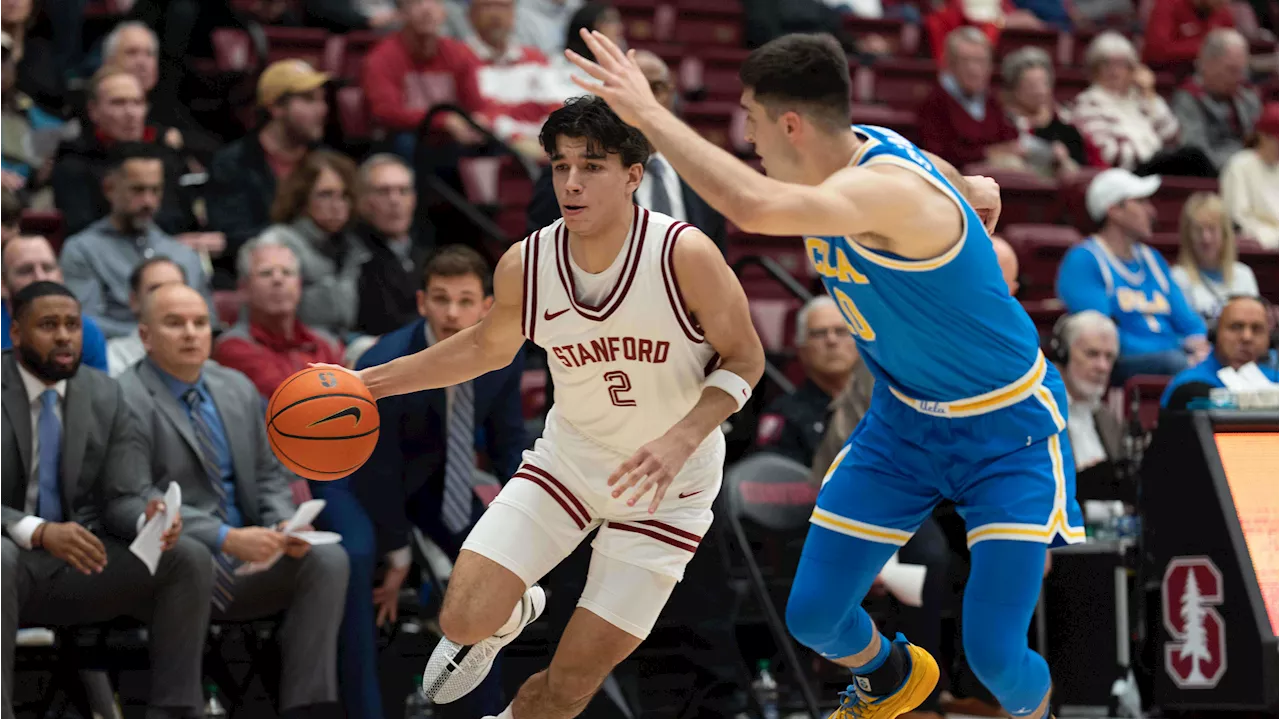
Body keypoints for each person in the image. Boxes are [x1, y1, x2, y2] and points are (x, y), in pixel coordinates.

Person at [567, 29, 1079, 719]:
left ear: (790, 124)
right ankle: (891, 675)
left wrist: (648, 115)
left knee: (993, 653)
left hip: (1005, 430)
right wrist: (970, 187)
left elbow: (752, 206)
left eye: (750, 120)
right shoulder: (870, 150)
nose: (748, 139)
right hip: (904, 422)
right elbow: (937, 173)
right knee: (812, 615)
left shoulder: (881, 193)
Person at [323, 96, 765, 719]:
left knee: (566, 691)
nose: (572, 182)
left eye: (591, 166)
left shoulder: (683, 254)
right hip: (571, 462)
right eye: (560, 166)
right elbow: (481, 348)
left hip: (669, 488)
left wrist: (682, 438)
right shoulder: (527, 263)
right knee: (462, 616)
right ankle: (515, 609)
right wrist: (367, 383)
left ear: (634, 175)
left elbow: (746, 359)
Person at [120, 282, 349, 719]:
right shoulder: (125, 396)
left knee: (328, 559)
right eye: (175, 323)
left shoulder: (237, 388)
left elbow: (268, 476)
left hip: (249, 565)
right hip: (170, 569)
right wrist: (226, 538)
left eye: (200, 322)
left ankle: (308, 706)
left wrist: (284, 525)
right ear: (145, 336)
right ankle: (177, 708)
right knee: (191, 558)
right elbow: (136, 495)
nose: (190, 333)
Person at [315, 245, 526, 719]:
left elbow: (507, 443)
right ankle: (364, 709)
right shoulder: (388, 358)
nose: (453, 313)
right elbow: (378, 465)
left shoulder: (506, 355)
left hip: (432, 478)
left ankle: (483, 711)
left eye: (465, 300)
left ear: (487, 306)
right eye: (441, 299)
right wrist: (398, 551)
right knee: (359, 555)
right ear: (421, 303)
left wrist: (532, 514)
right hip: (353, 476)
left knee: (492, 564)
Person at [0, 281, 206, 719]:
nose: (63, 337)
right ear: (15, 333)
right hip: (10, 562)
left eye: (73, 325)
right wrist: (38, 531)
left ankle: (176, 710)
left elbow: (122, 495)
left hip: (81, 563)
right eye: (48, 325)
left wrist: (146, 518)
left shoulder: (104, 393)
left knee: (186, 558)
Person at [1056, 169, 1210, 381]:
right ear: (1114, 210)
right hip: (1123, 364)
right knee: (1175, 363)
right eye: (1141, 202)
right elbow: (1102, 338)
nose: (1151, 211)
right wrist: (1179, 346)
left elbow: (1190, 322)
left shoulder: (1152, 259)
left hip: (1174, 358)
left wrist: (1200, 345)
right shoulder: (1084, 260)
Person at [0, 235, 109, 372]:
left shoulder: (86, 331)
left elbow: (98, 390)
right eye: (26, 270)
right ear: (2, 284)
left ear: (60, 275)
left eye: (47, 268)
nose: (40, 278)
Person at [1161, 295, 1279, 408]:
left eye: (1257, 329)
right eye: (1236, 327)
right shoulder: (1189, 385)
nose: (1247, 337)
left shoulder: (1275, 381)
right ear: (1214, 334)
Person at [1169, 192, 1258, 324]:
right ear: (1188, 236)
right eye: (1198, 230)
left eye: (1212, 229)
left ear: (1225, 234)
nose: (1206, 238)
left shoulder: (1244, 275)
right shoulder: (1177, 278)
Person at [106, 256, 187, 377]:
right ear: (134, 301)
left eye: (175, 288)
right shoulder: (113, 356)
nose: (168, 297)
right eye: (156, 289)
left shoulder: (203, 360)